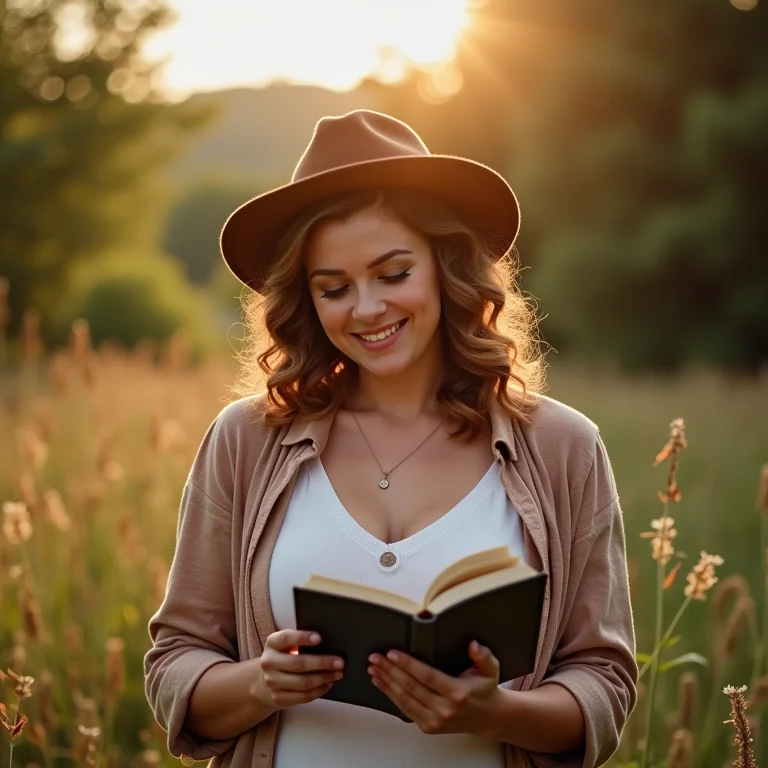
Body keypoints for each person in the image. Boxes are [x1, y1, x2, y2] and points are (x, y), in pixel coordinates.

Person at [144, 109, 637, 768]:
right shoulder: (245, 440)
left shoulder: (563, 446)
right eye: (335, 288)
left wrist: (500, 712)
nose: (367, 308)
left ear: (445, 267)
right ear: (307, 302)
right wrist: (260, 684)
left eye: (393, 273)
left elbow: (604, 678)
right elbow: (175, 663)